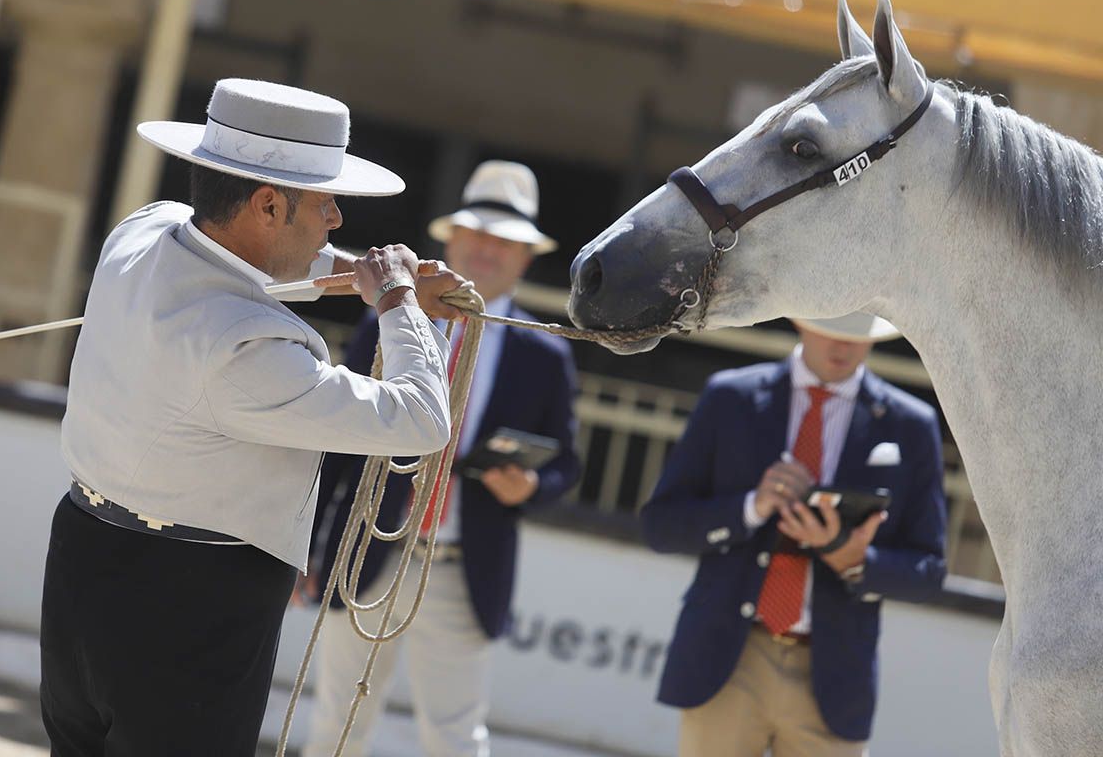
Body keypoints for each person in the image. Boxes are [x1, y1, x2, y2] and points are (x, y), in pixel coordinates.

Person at [41, 78, 468, 756]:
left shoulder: (145, 229)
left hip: (84, 556)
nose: (335, 218)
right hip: (189, 599)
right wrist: (398, 307)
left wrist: (368, 275)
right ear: (268, 203)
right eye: (325, 203)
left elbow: (253, 264)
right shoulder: (247, 346)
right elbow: (421, 418)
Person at [303, 160, 581, 757]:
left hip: (461, 564)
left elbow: (567, 465)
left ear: (525, 258)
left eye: (504, 242)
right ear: (450, 239)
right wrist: (308, 544)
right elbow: (338, 438)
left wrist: (529, 485)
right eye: (477, 234)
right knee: (336, 724)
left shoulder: (543, 354)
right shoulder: (390, 317)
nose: (487, 250)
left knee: (455, 735)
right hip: (369, 546)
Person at [641, 313, 948, 756]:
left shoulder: (910, 425)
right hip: (727, 660)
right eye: (831, 329)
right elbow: (660, 525)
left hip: (834, 675)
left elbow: (929, 570)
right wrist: (751, 507)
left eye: (857, 335)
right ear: (801, 321)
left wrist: (855, 561)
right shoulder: (732, 398)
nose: (843, 346)